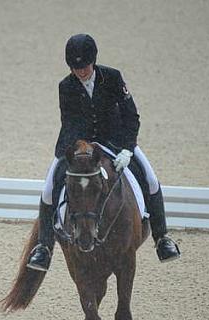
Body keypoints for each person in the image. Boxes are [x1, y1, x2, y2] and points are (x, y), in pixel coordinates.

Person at [27, 33, 180, 271]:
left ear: (93, 61)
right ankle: (44, 248)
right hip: (80, 145)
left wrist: (128, 149)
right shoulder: (65, 86)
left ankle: (162, 239)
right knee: (49, 187)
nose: (81, 71)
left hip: (116, 141)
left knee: (150, 178)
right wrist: (73, 152)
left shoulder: (112, 77)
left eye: (84, 66)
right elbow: (69, 122)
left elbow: (132, 115)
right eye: (75, 67)